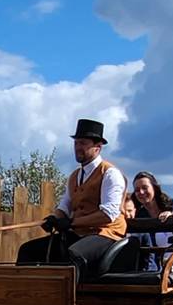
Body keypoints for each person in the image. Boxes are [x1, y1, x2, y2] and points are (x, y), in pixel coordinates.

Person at [16, 118, 127, 280]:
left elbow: (108, 214)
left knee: (72, 255)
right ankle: (28, 298)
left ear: (97, 147)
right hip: (79, 234)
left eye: (82, 143)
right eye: (76, 143)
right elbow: (64, 207)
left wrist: (71, 223)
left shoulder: (110, 174)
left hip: (107, 234)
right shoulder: (74, 176)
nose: (77, 148)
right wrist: (54, 218)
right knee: (28, 250)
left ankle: (68, 303)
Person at [132, 171, 173, 271]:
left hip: (172, 255)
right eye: (137, 190)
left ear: (154, 187)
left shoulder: (171, 205)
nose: (141, 192)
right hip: (150, 259)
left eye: (145, 188)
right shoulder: (138, 213)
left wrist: (172, 216)